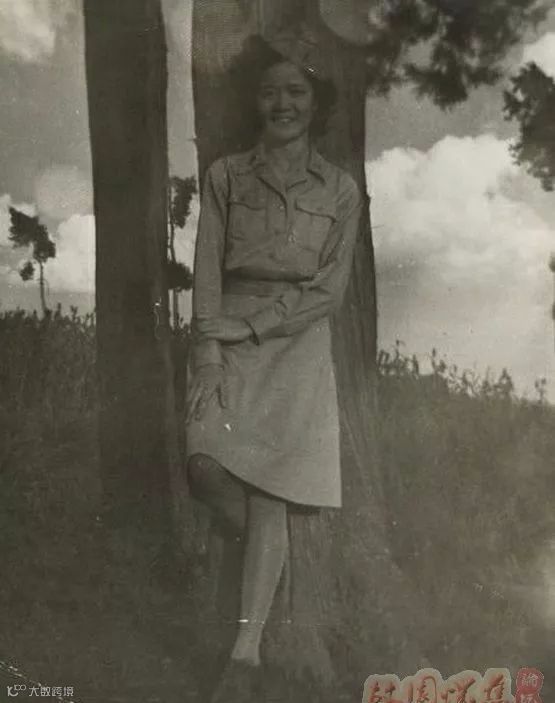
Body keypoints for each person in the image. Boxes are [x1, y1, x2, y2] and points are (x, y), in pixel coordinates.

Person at [185, 26, 362, 702]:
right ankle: (265, 552)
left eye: (296, 92)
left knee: (270, 493)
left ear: (317, 102)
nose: (282, 104)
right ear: (254, 100)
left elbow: (329, 291)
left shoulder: (339, 190)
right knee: (204, 461)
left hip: (296, 341)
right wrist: (210, 351)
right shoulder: (226, 174)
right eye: (269, 92)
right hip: (226, 332)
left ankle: (246, 653)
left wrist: (256, 325)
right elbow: (206, 270)